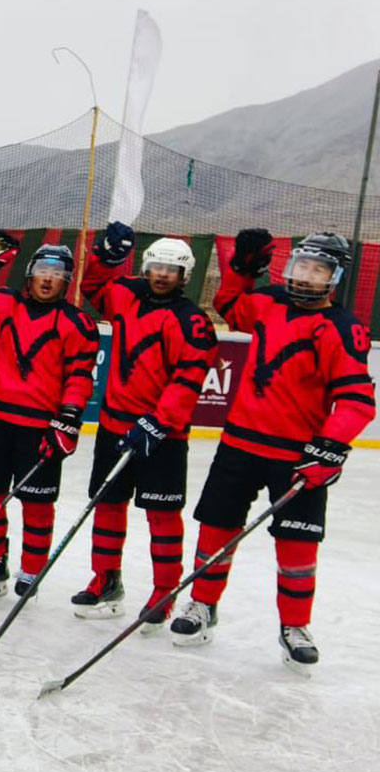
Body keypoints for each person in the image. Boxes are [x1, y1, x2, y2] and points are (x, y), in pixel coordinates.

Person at [170, 229, 375, 671]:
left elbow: (358, 400)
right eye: (300, 266)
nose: (305, 276)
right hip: (240, 443)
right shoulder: (267, 302)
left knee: (298, 544)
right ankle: (202, 605)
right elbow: (229, 306)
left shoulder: (343, 329)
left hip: (297, 455)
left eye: (317, 269)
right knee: (216, 530)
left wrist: (330, 447)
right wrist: (241, 271)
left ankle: (294, 626)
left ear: (334, 278)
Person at [72, 225, 218, 626]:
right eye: (156, 266)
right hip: (115, 426)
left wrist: (158, 422)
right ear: (145, 267)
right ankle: (105, 580)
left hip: (164, 436)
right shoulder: (126, 295)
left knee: (162, 514)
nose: (162, 274)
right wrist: (108, 255)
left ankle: (164, 591)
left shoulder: (194, 321)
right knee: (108, 504)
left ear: (184, 276)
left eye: (172, 270)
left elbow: (189, 377)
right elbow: (95, 284)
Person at [0, 235, 99, 597]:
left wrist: (70, 417)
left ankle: (32, 570)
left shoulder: (79, 324)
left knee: (37, 503)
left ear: (66, 281)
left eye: (57, 273)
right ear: (29, 275)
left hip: (41, 426)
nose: (48, 278)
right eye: (43, 270)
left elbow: (79, 376)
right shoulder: (0, 303)